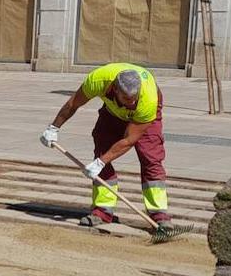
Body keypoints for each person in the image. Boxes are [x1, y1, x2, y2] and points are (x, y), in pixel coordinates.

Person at [41, 62, 172, 230]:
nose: (131, 103)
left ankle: (159, 215)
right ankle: (103, 210)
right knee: (102, 147)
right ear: (115, 89)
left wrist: (100, 162)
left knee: (150, 158)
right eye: (127, 99)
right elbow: (73, 103)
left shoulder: (147, 99)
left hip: (144, 117)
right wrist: (53, 128)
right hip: (112, 111)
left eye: (134, 99)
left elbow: (129, 140)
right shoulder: (98, 80)